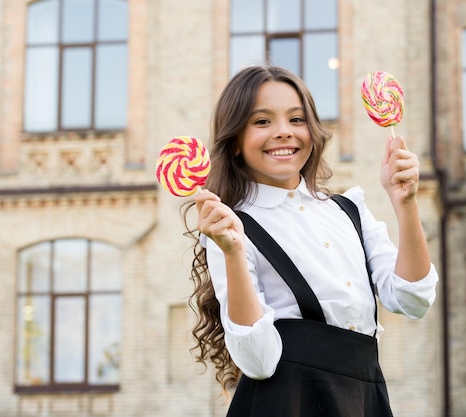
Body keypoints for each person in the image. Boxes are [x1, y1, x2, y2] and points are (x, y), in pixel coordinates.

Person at [183, 65, 439, 417]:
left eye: (297, 119)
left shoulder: (350, 211)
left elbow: (414, 300)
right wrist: (232, 251)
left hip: (363, 400)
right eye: (262, 122)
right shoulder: (231, 228)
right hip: (286, 404)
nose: (284, 132)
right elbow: (258, 360)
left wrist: (405, 203)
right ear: (236, 142)